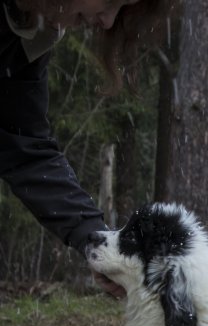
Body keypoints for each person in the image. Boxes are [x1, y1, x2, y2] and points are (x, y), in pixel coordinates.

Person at [0, 0, 170, 296]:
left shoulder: (32, 37)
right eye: (111, 2)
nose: (106, 22)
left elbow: (24, 147)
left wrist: (94, 239)